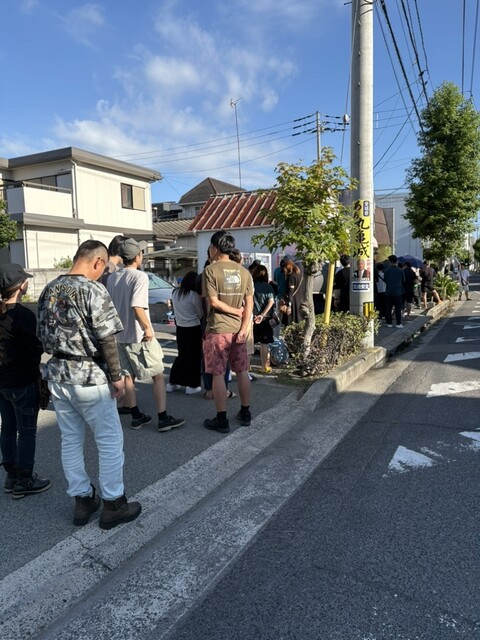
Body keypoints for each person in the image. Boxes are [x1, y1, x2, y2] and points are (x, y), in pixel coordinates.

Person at [37, 240, 141, 529]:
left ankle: (82, 500)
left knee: (70, 439)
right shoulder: (93, 289)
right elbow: (107, 337)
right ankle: (114, 503)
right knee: (109, 441)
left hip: (58, 373)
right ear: (97, 262)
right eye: (103, 268)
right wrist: (117, 376)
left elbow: (41, 335)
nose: (102, 272)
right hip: (89, 375)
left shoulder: (49, 289)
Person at [106, 238, 184, 432]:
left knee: (128, 376)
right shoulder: (139, 276)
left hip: (119, 335)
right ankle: (163, 417)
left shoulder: (112, 278)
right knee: (158, 375)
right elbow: (137, 306)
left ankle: (136, 416)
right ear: (137, 256)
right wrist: (148, 328)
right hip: (138, 334)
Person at [0, 264, 51, 499]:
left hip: (2, 382)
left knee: (8, 428)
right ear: (21, 286)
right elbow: (36, 348)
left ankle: (11, 475)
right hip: (23, 381)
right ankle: (25, 479)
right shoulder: (24, 315)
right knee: (27, 431)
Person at [202, 230, 254, 434]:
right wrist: (244, 327)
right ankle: (246, 413)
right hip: (239, 330)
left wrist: (234, 311)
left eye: (210, 246)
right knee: (242, 371)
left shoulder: (210, 270)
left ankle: (221, 419)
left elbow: (213, 302)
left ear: (215, 248)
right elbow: (249, 304)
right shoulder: (244, 272)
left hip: (218, 329)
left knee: (217, 373)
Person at [166, 271, 203, 394]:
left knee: (181, 355)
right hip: (193, 328)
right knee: (194, 357)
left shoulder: (175, 293)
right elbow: (200, 313)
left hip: (180, 328)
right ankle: (192, 385)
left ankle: (172, 382)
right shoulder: (193, 295)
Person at [251, 264, 275, 373]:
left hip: (252, 318)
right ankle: (264, 367)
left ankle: (246, 368)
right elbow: (271, 301)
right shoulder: (268, 287)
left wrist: (254, 314)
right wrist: (263, 314)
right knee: (264, 343)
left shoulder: (251, 286)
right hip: (265, 319)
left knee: (250, 343)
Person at [383, 254, 405, 328]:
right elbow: (403, 280)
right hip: (398, 292)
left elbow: (385, 280)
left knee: (388, 309)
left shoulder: (386, 270)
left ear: (390, 261)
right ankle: (398, 323)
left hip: (388, 292)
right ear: (396, 261)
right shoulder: (400, 270)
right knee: (398, 308)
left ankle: (389, 323)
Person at [280, 258, 305, 326]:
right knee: (298, 324)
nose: (284, 271)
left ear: (286, 266)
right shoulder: (300, 274)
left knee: (290, 324)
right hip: (299, 301)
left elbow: (290, 292)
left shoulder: (291, 276)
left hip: (293, 303)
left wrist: (289, 306)